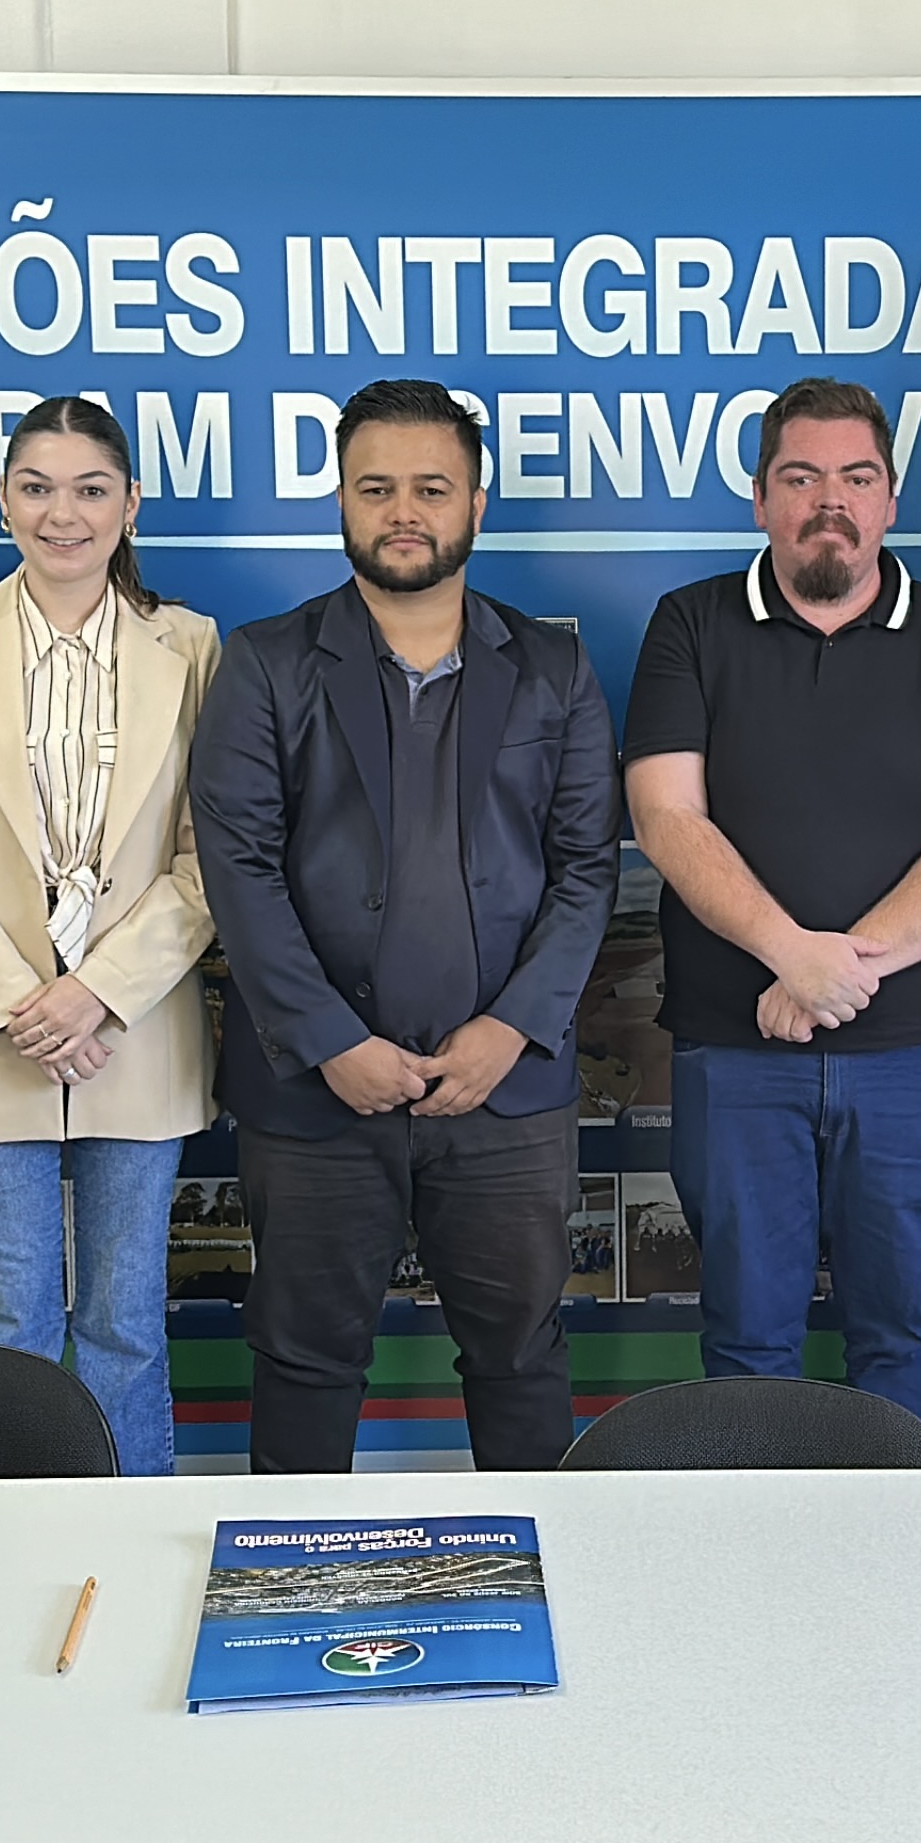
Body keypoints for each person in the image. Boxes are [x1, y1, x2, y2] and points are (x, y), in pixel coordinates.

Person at [190, 378, 619, 1472]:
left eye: (432, 488)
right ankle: (291, 1574)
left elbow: (586, 870)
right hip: (317, 1094)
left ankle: (533, 1576)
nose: (403, 512)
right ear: (340, 499)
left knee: (521, 1358)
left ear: (477, 502)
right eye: (375, 488)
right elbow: (238, 869)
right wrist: (330, 1040)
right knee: (303, 1362)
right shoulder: (267, 662)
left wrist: (509, 1030)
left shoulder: (554, 668)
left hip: (505, 1092)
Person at [624, 377, 921, 1431]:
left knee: (900, 1334)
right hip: (737, 1051)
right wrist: (787, 953)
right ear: (761, 498)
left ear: (890, 500)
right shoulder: (690, 624)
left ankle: (901, 1542)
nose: (829, 502)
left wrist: (834, 971)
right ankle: (755, 1541)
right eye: (800, 477)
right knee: (744, 1343)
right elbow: (666, 818)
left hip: (911, 1054)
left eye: (856, 478)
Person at [0, 395, 220, 1475]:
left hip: (134, 1028)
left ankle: (135, 1528)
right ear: (3, 502)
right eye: (36, 488)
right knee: (10, 1324)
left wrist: (97, 993)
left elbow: (210, 858)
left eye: (89, 490)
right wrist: (20, 1003)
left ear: (130, 504)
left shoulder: (191, 645)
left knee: (125, 1325)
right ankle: (11, 1544)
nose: (61, 515)